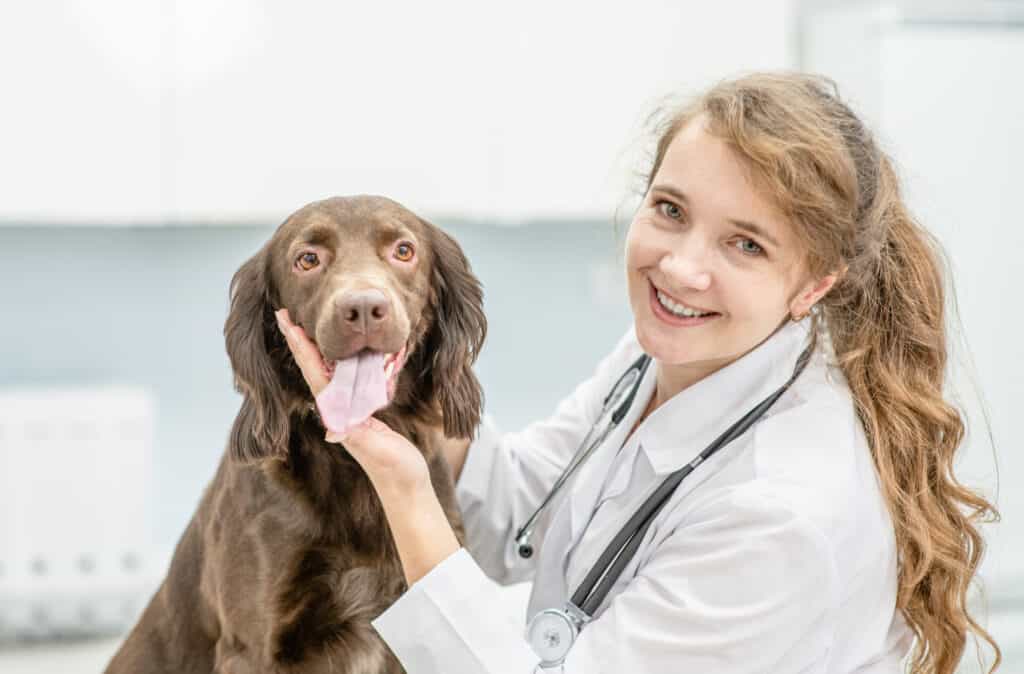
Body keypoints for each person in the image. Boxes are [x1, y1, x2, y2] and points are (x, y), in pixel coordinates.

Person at [274, 72, 1000, 673]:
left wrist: (402, 483)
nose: (682, 268)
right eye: (670, 209)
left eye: (745, 244)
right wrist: (409, 393)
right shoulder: (675, 352)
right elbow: (524, 514)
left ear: (814, 285)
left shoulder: (782, 513)